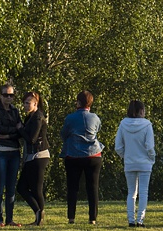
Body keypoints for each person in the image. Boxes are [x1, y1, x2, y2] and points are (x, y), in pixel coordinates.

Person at [60, 90, 104, 225]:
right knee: (93, 187)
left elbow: (64, 134)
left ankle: (71, 217)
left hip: (74, 155)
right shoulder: (95, 117)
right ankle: (93, 218)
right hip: (93, 155)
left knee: (73, 187)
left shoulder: (70, 118)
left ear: (78, 102)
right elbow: (98, 130)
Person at [114, 100, 156, 228]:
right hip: (144, 163)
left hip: (129, 162)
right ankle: (140, 220)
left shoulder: (123, 124)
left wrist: (125, 156)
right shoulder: (147, 125)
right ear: (141, 111)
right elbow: (149, 146)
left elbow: (118, 146)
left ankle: (131, 220)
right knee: (143, 192)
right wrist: (151, 158)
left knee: (131, 192)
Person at [15, 91, 50, 226]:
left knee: (36, 188)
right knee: (22, 187)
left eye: (28, 103)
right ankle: (38, 212)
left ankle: (39, 217)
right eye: (24, 102)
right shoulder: (30, 117)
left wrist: (20, 129)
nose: (25, 105)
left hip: (39, 155)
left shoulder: (37, 117)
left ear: (36, 103)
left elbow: (32, 139)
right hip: (31, 156)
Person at [0, 84, 22, 228]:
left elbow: (20, 130)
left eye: (11, 95)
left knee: (11, 187)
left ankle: (10, 219)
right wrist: (13, 132)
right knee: (0, 186)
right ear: (0, 95)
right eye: (6, 95)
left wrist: (8, 134)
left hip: (14, 152)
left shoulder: (15, 111)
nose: (9, 98)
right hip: (0, 152)